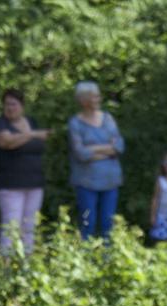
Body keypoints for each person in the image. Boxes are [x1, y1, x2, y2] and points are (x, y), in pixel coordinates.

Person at [0, 88, 50, 255]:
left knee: (30, 227)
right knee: (11, 226)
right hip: (9, 185)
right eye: (7, 104)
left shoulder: (31, 121)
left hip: (35, 184)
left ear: (22, 106)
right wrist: (32, 134)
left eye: (14, 104)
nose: (10, 108)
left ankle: (27, 264)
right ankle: (6, 264)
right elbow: (7, 142)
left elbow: (44, 139)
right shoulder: (0, 123)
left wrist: (25, 135)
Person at [68, 81, 124, 241]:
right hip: (86, 182)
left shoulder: (108, 119)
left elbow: (119, 147)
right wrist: (107, 150)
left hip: (111, 180)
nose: (98, 99)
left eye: (98, 96)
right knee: (88, 221)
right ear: (83, 100)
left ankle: (107, 253)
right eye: (94, 96)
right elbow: (80, 153)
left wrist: (92, 149)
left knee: (108, 222)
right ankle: (86, 252)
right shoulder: (75, 123)